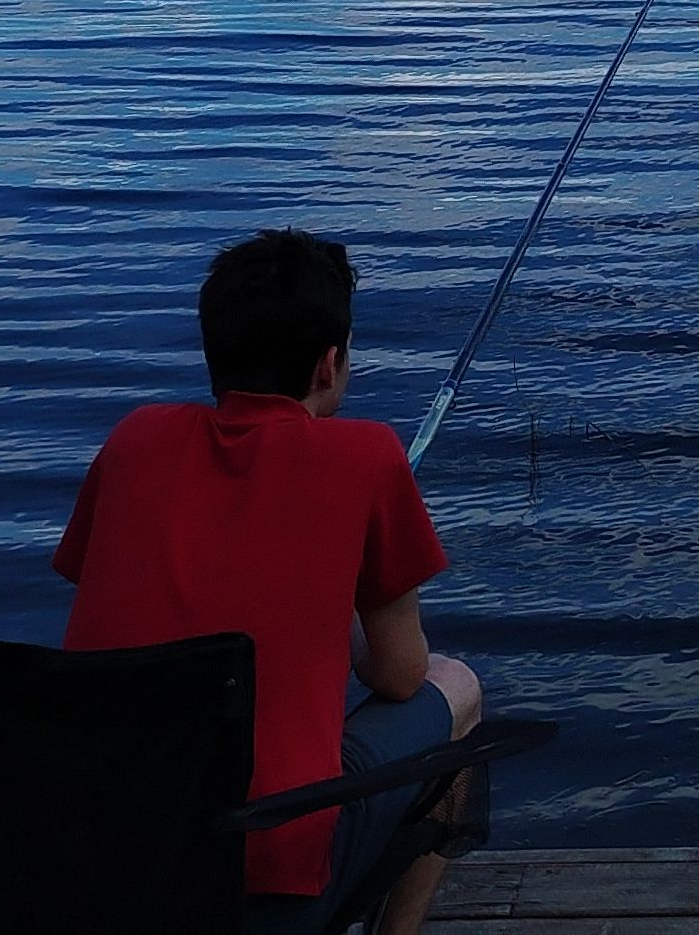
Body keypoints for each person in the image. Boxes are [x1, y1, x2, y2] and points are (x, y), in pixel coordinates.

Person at [55, 230, 481, 935]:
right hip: (268, 880)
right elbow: (402, 675)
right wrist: (344, 580)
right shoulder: (369, 455)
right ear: (330, 363)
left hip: (101, 866)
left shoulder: (134, 439)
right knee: (456, 686)